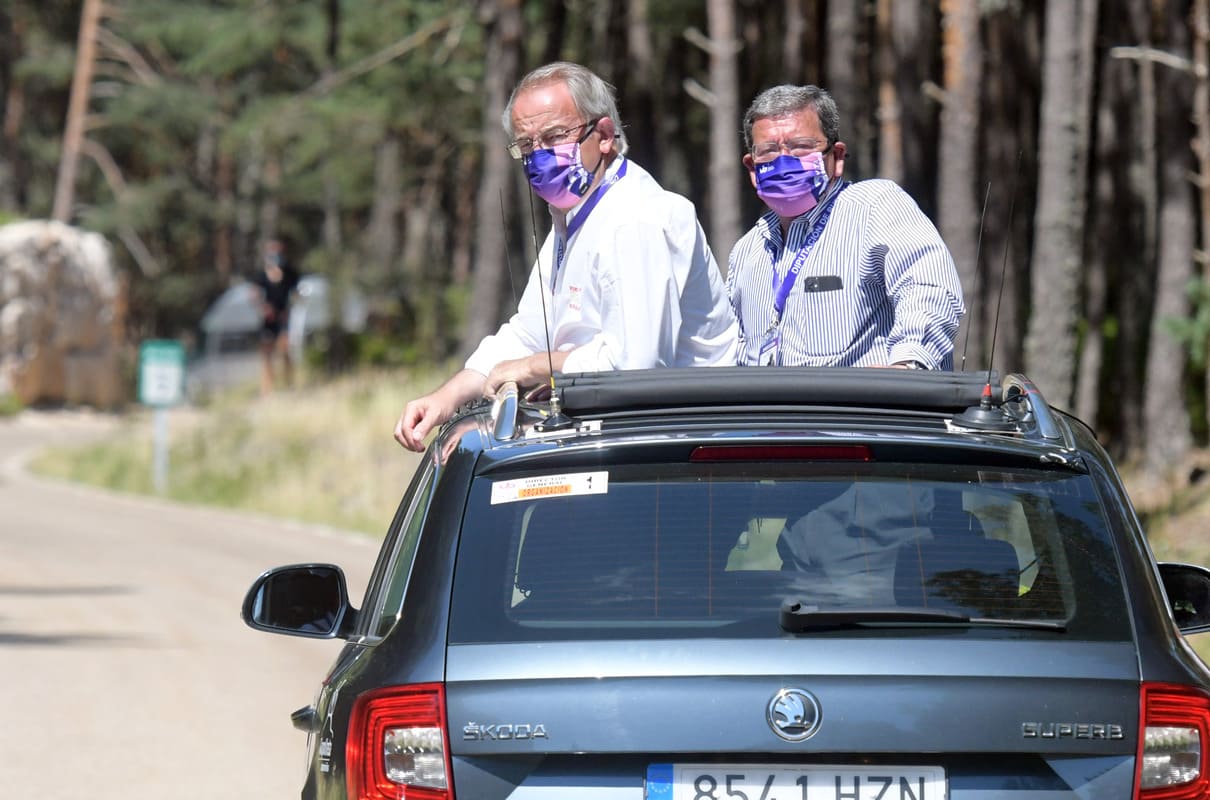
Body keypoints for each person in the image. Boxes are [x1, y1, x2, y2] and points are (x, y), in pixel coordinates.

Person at [394, 61, 737, 451]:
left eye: (555, 136)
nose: (540, 156)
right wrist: (444, 399)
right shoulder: (573, 217)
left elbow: (632, 366)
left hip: (680, 452)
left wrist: (533, 368)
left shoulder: (635, 219)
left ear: (604, 135)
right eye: (526, 145)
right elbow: (527, 332)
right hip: (622, 440)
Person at [727, 84, 964, 369]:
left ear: (836, 157)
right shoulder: (746, 250)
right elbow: (732, 348)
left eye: (801, 147)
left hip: (864, 410)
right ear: (753, 169)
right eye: (769, 151)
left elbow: (928, 287)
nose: (784, 162)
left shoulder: (875, 207)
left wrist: (908, 365)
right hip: (772, 412)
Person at [250, 236, 300, 394]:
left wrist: (291, 308)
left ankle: (289, 385)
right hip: (268, 319)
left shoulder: (290, 273)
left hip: (284, 317)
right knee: (266, 354)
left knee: (286, 350)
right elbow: (253, 294)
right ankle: (267, 388)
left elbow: (298, 293)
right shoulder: (262, 274)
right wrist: (263, 307)